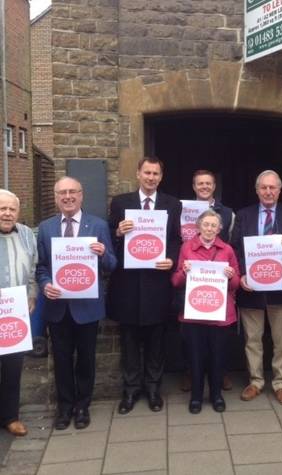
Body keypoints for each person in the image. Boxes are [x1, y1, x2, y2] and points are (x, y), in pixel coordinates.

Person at [37, 177, 117, 430]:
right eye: (63, 192)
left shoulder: (98, 225)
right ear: (56, 196)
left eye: (73, 192)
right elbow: (40, 267)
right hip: (58, 307)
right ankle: (64, 407)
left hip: (87, 308)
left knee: (86, 359)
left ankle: (83, 405)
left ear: (81, 195)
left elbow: (112, 265)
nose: (68, 196)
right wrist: (45, 283)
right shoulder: (46, 227)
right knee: (61, 359)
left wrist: (103, 254)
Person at [108, 157, 182, 415]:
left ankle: (153, 389)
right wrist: (118, 232)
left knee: (156, 340)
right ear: (138, 173)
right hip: (128, 284)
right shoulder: (120, 203)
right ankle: (129, 391)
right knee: (129, 340)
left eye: (156, 174)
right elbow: (108, 240)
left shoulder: (172, 204)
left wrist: (172, 259)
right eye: (147, 173)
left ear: (161, 177)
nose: (151, 178)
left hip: (157, 283)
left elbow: (175, 239)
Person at [231, 170, 282, 405]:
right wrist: (240, 275)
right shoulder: (243, 215)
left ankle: (281, 382)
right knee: (253, 338)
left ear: (279, 190)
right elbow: (235, 250)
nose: (268, 192)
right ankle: (256, 380)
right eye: (264, 188)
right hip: (251, 288)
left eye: (273, 188)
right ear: (257, 190)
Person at [171, 209, 240, 413]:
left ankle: (216, 395)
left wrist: (230, 276)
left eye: (214, 225)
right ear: (198, 227)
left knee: (218, 357)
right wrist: (184, 272)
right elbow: (175, 281)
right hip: (195, 314)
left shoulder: (227, 250)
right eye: (206, 224)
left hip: (220, 315)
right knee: (195, 356)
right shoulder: (186, 248)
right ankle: (196, 396)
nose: (209, 228)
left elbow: (236, 284)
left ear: (219, 229)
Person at [0, 190, 37, 436]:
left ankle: (10, 416)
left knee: (13, 368)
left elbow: (34, 268)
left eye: (12, 209)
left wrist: (32, 294)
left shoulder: (26, 235)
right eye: (2, 208)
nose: (7, 213)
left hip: (15, 313)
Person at [192, 169, 234, 242]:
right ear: (194, 187)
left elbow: (232, 243)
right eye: (200, 184)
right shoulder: (182, 210)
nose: (204, 186)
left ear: (214, 186)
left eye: (208, 183)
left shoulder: (229, 214)